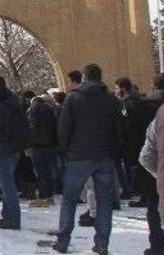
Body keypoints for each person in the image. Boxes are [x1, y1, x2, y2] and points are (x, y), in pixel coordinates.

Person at [52, 64, 122, 255]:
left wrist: (66, 151)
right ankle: (102, 243)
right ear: (100, 77)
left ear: (84, 77)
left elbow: (64, 128)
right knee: (104, 201)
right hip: (105, 156)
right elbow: (119, 130)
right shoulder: (112, 100)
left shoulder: (73, 98)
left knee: (69, 200)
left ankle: (63, 240)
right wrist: (114, 151)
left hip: (78, 156)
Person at [136, 73, 164, 255]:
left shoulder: (145, 108)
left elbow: (145, 154)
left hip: (159, 172)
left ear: (153, 86)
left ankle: (157, 245)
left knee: (154, 207)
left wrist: (160, 174)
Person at [0, 76, 25, 230]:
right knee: (8, 183)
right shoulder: (12, 100)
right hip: (15, 147)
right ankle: (7, 216)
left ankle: (13, 219)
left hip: (2, 148)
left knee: (7, 185)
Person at [27, 93, 59, 208]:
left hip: (38, 146)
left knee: (40, 173)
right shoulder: (51, 111)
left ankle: (43, 196)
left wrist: (29, 142)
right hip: (50, 145)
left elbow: (32, 128)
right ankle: (49, 196)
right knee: (48, 171)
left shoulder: (33, 112)